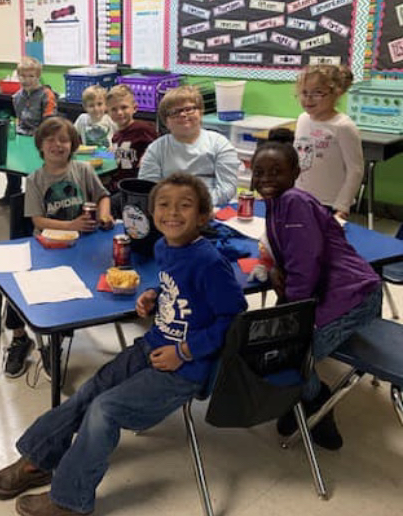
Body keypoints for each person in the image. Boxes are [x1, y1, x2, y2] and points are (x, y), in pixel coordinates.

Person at [0, 172, 247, 516]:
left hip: (185, 368)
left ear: (202, 216)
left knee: (104, 410)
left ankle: (70, 500)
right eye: (163, 205)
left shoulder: (209, 262)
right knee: (90, 390)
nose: (172, 213)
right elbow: (179, 289)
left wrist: (184, 352)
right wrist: (154, 295)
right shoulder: (164, 247)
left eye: (184, 206)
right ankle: (38, 461)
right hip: (152, 345)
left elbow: (234, 318)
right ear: (152, 213)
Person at [250, 140, 381, 450]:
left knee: (288, 355)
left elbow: (307, 263)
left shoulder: (294, 201)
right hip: (326, 293)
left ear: (296, 173)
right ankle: (297, 398)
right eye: (259, 171)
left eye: (276, 171)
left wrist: (294, 318)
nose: (266, 178)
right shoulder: (277, 203)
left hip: (352, 297)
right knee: (274, 345)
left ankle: (317, 404)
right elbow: (291, 252)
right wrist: (274, 267)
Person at [4, 118, 114, 380]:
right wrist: (71, 225)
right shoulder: (35, 179)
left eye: (64, 140)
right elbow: (38, 221)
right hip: (48, 247)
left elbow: (103, 196)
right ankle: (20, 338)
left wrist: (105, 214)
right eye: (50, 140)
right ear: (40, 146)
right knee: (17, 289)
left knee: (72, 292)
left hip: (82, 246)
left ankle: (55, 342)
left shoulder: (83, 170)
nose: (57, 145)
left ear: (73, 145)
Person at [138, 85, 239, 206]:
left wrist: (196, 205)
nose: (183, 115)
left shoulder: (220, 144)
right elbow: (148, 188)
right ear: (166, 122)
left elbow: (227, 188)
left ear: (200, 113)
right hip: (169, 208)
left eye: (189, 109)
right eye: (175, 112)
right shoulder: (156, 149)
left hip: (210, 207)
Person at [293, 64, 362, 219]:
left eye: (317, 93)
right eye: (304, 92)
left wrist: (342, 206)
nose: (308, 99)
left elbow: (355, 170)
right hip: (301, 197)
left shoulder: (343, 126)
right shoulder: (302, 119)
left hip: (329, 203)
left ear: (336, 93)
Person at [0, 56, 57, 207]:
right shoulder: (17, 97)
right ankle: (13, 191)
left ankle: (39, 198)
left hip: (41, 137)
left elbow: (49, 122)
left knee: (36, 168)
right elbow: (20, 119)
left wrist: (38, 138)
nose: (26, 80)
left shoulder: (46, 94)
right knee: (11, 161)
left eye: (31, 76)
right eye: (23, 76)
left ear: (38, 76)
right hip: (22, 136)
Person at [106, 84, 158, 187]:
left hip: (138, 185)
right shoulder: (116, 136)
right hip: (119, 183)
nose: (119, 112)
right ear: (108, 112)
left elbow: (159, 147)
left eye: (124, 107)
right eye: (114, 109)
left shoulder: (143, 129)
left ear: (134, 108)